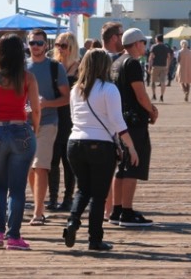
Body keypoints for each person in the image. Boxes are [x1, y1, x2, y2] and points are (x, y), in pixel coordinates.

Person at [62, 49, 139, 251]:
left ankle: (72, 221)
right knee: (98, 195)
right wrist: (130, 147)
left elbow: (74, 118)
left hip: (75, 143)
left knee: (83, 189)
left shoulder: (75, 89)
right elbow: (117, 121)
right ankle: (94, 239)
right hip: (100, 145)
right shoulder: (109, 89)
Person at [0, 34, 41, 250]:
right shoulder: (27, 77)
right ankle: (14, 237)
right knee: (18, 189)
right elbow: (36, 109)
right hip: (20, 130)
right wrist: (36, 129)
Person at [109, 28, 158, 227]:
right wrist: (152, 110)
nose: (145, 46)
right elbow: (140, 94)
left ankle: (116, 209)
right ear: (137, 43)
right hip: (134, 121)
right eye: (144, 42)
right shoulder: (132, 63)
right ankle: (127, 212)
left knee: (121, 167)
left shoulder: (116, 62)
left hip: (119, 120)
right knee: (133, 165)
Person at [25, 28, 69, 226]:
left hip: (48, 122)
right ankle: (39, 205)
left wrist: (45, 103)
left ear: (46, 45)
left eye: (39, 43)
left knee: (41, 167)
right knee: (29, 169)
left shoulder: (55, 67)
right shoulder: (22, 67)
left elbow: (66, 98)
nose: (36, 46)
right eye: (32, 43)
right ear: (27, 44)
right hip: (24, 123)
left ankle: (38, 212)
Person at [48, 31, 79, 212]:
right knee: (52, 160)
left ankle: (68, 198)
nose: (60, 49)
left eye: (64, 46)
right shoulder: (52, 66)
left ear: (72, 47)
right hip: (53, 114)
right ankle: (52, 198)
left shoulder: (79, 67)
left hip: (72, 117)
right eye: (58, 45)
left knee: (69, 161)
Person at [148, 35, 171, 102]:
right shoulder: (166, 47)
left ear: (157, 39)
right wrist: (168, 67)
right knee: (163, 82)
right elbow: (168, 57)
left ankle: (154, 95)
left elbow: (151, 58)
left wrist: (149, 67)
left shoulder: (154, 47)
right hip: (163, 66)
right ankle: (161, 96)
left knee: (153, 81)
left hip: (155, 66)